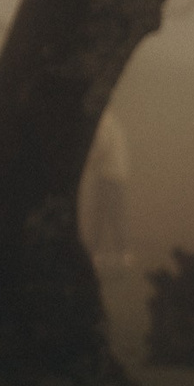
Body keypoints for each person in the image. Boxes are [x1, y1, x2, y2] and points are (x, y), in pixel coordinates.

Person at [88, 107, 132, 270]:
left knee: (100, 215)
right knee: (117, 215)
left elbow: (102, 147)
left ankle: (95, 254)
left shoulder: (103, 123)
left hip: (107, 175)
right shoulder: (114, 123)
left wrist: (89, 162)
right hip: (119, 175)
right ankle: (124, 254)